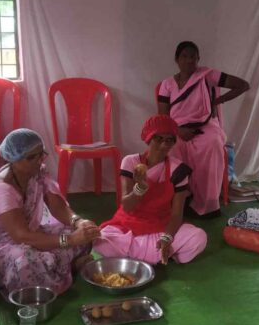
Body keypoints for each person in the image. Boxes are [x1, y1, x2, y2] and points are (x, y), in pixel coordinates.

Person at [0, 129, 100, 295]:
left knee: (84, 235)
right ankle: (68, 268)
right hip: (6, 245)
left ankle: (58, 268)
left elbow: (58, 206)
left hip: (33, 233)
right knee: (25, 264)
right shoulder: (2, 190)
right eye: (31, 157)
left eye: (41, 154)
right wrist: (70, 240)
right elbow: (21, 236)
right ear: (14, 159)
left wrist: (78, 222)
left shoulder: (38, 171)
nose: (39, 160)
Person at [96, 115, 207, 265]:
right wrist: (139, 188)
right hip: (128, 225)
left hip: (160, 226)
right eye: (158, 139)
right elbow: (127, 206)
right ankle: (157, 256)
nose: (163, 145)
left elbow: (176, 214)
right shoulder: (131, 162)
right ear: (148, 139)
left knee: (198, 238)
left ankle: (142, 254)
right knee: (101, 240)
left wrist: (166, 238)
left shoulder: (178, 170)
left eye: (169, 140)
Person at [158, 41, 249, 217]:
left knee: (212, 144)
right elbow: (163, 116)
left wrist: (217, 101)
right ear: (176, 59)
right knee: (171, 148)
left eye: (193, 56)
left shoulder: (207, 75)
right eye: (184, 56)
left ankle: (208, 204)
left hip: (206, 126)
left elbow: (243, 85)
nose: (189, 60)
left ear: (198, 59)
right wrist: (178, 131)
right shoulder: (167, 84)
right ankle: (182, 200)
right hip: (176, 129)